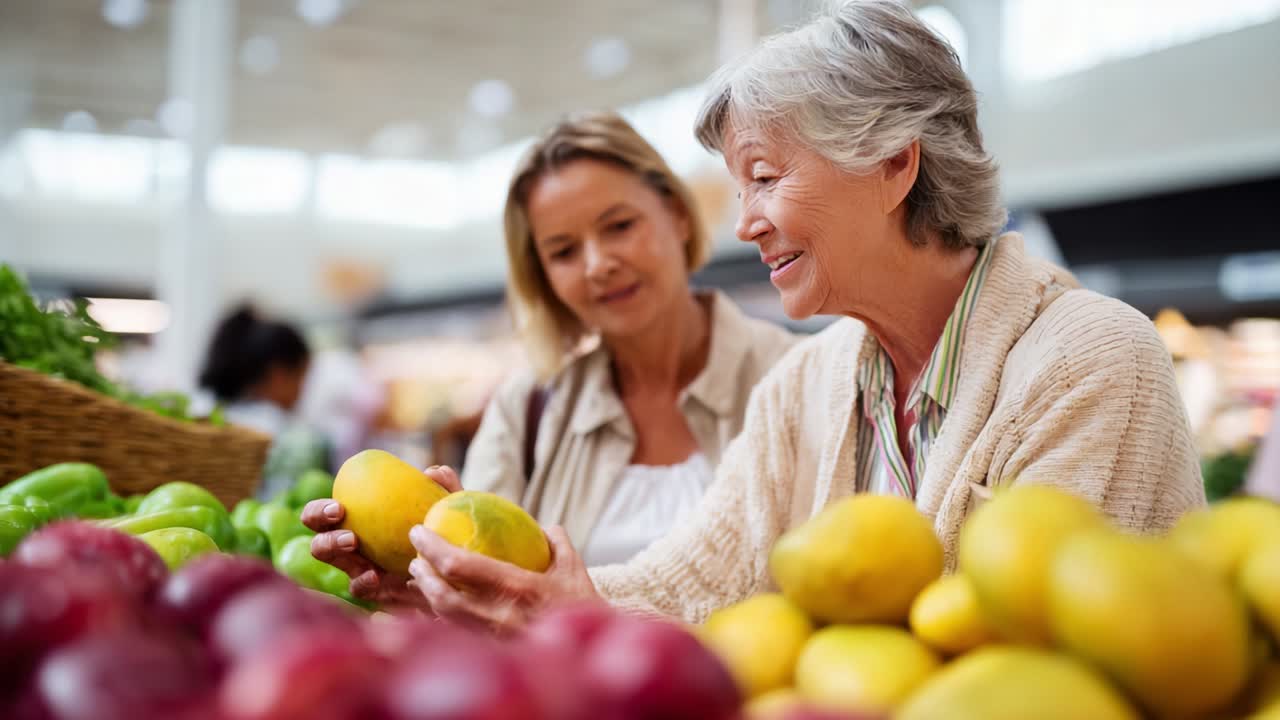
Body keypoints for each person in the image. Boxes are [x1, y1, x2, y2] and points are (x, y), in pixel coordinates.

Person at [305, 0, 1205, 629]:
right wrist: (487, 575)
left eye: (766, 177)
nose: (744, 223)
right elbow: (696, 579)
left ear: (896, 163)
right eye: (740, 187)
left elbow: (1018, 658)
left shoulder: (1090, 360)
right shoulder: (810, 385)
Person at [306, 110, 795, 598]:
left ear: (679, 216)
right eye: (563, 252)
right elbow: (487, 598)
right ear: (543, 277)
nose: (599, 264)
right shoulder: (524, 413)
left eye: (620, 225)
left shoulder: (800, 378)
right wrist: (438, 585)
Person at [199, 304, 311, 436]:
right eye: (301, 377)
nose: (303, 389)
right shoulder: (268, 425)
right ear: (278, 375)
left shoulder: (205, 410)